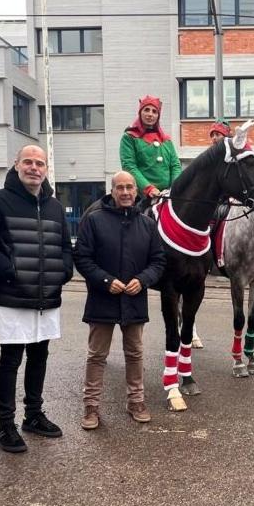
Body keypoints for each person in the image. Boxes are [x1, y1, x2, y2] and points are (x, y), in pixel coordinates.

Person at [0, 145, 73, 453]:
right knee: (11, 360)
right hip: (13, 297)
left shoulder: (54, 206)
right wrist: (9, 270)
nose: (34, 167)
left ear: (45, 170)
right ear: (16, 166)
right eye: (27, 162)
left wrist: (63, 273)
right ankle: (4, 425)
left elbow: (66, 248)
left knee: (39, 357)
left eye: (39, 163)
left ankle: (33, 415)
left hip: (47, 297)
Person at [73, 171, 166, 429]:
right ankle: (91, 407)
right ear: (112, 191)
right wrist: (105, 280)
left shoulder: (147, 225)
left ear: (136, 191)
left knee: (135, 353)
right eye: (120, 188)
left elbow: (158, 261)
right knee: (97, 356)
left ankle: (136, 401)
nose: (125, 192)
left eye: (130, 188)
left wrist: (144, 279)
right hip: (102, 300)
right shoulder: (94, 220)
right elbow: (82, 257)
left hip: (134, 300)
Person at [120, 95, 181, 202]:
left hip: (168, 195)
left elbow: (175, 165)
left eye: (154, 111)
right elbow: (129, 166)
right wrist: (149, 189)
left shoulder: (166, 140)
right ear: (140, 113)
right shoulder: (129, 137)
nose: (150, 114)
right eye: (146, 110)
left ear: (158, 115)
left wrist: (174, 188)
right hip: (142, 196)